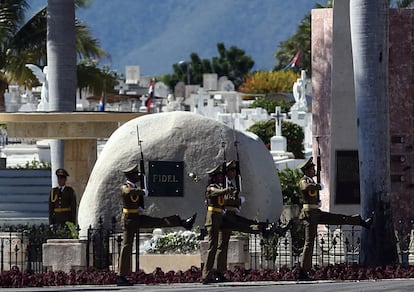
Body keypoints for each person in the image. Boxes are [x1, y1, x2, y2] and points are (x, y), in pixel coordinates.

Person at [201, 163, 283, 284]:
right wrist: (232, 195)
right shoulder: (212, 187)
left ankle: (220, 271)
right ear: (213, 178)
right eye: (218, 176)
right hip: (213, 218)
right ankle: (206, 275)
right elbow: (218, 193)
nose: (220, 177)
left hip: (221, 217)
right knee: (213, 246)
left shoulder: (221, 186)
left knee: (224, 243)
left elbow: (223, 200)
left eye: (221, 175)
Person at [117, 164, 197, 286]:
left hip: (137, 217)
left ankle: (182, 222)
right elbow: (128, 192)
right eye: (135, 174)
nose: (138, 176)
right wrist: (143, 192)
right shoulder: (125, 187)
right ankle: (121, 276)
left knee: (158, 221)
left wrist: (140, 205)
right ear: (129, 176)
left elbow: (136, 201)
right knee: (127, 246)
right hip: (129, 220)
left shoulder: (136, 187)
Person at [297, 157, 373, 280]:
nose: (314, 170)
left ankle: (360, 222)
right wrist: (318, 186)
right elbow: (306, 187)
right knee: (309, 242)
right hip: (309, 215)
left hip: (316, 212)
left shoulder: (311, 180)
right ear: (307, 170)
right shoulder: (304, 180)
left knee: (338, 218)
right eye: (312, 168)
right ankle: (303, 272)